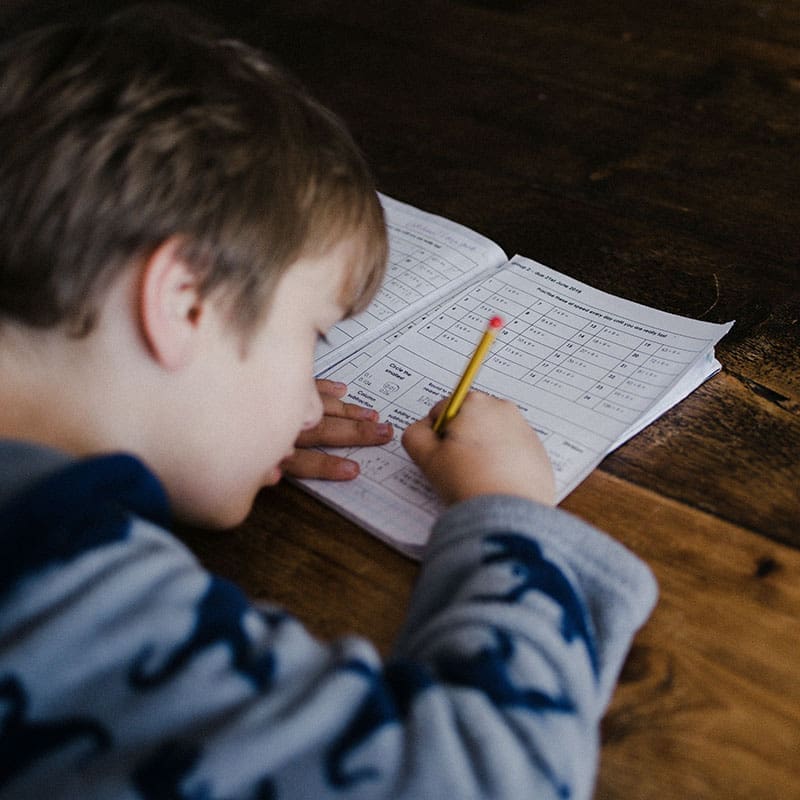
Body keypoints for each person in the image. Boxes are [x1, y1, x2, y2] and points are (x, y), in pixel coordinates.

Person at [0, 8, 657, 800]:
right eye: (311, 333)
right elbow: (495, 780)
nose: (309, 405)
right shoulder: (57, 592)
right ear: (186, 304)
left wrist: (183, 426)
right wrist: (508, 513)